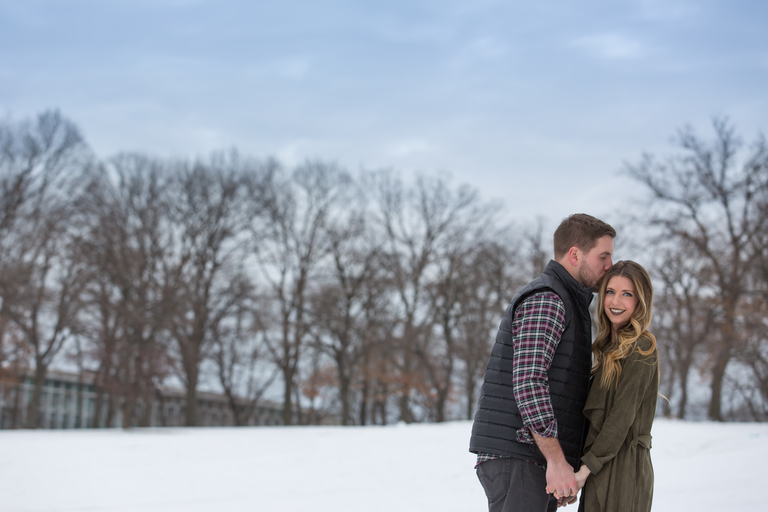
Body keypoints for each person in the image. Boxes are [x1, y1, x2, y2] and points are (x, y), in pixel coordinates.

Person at [469, 213, 616, 512]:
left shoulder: (570, 301)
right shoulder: (548, 298)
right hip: (520, 456)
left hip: (530, 458)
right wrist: (556, 460)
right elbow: (529, 381)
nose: (610, 266)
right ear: (575, 254)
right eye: (604, 256)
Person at [554, 260, 659, 512]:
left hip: (624, 469)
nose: (615, 301)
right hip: (599, 467)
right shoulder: (606, 350)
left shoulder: (642, 347)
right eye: (610, 292)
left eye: (627, 294)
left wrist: (584, 472)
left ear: (640, 301)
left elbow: (620, 419)